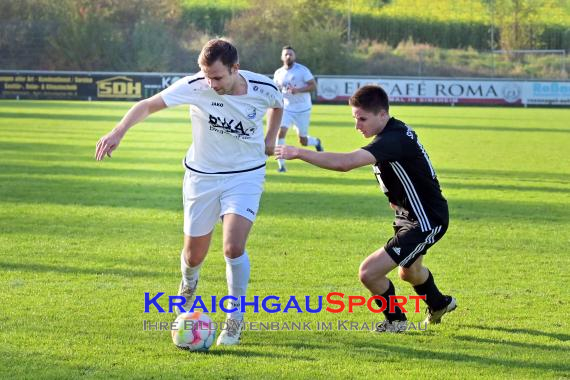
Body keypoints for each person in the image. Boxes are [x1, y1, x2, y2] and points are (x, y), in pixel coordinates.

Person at [95, 39, 284, 345]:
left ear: (235, 69)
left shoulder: (263, 86)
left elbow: (278, 105)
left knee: (233, 248)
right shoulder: (196, 85)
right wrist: (118, 132)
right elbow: (147, 105)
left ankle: (234, 321)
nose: (211, 83)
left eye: (218, 77)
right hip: (202, 177)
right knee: (194, 255)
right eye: (207, 75)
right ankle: (188, 285)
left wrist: (270, 138)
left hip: (246, 175)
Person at [275, 85, 456, 331]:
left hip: (426, 220)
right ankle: (439, 303)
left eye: (362, 119)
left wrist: (298, 152)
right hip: (410, 216)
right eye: (355, 118)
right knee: (409, 272)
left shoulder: (393, 139)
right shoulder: (392, 133)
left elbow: (345, 163)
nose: (357, 125)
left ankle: (396, 322)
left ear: (383, 115)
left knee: (369, 273)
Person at [273, 45, 323, 173]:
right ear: (281, 57)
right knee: (281, 132)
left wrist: (298, 90)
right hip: (287, 108)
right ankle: (281, 165)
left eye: (291, 54)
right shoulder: (278, 73)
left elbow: (313, 86)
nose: (288, 56)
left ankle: (316, 142)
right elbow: (276, 89)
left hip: (303, 110)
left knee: (303, 141)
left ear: (294, 56)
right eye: (286, 54)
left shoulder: (302, 70)